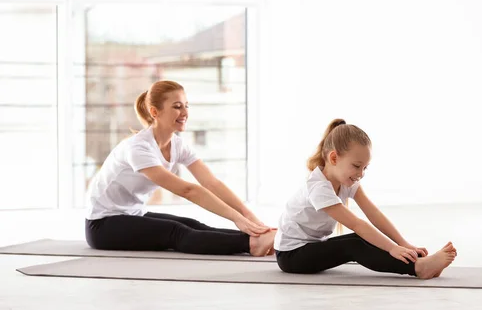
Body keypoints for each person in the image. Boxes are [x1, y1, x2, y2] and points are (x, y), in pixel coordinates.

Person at [85, 80, 275, 256]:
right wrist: (237, 218)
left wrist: (249, 217)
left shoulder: (177, 145)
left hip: (131, 214)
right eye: (177, 107)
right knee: (175, 232)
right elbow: (188, 190)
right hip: (103, 225)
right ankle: (251, 244)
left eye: (186, 106)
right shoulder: (138, 148)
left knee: (191, 224)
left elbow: (211, 183)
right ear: (154, 112)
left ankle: (257, 238)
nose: (185, 112)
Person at [274, 119, 457, 278]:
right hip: (291, 255)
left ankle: (416, 263)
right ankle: (418, 268)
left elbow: (373, 214)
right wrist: (392, 248)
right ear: (333, 158)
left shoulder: (346, 181)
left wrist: (404, 244)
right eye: (356, 166)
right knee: (354, 244)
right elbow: (357, 224)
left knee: (361, 238)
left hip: (310, 246)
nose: (360, 174)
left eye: (365, 168)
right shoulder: (318, 188)